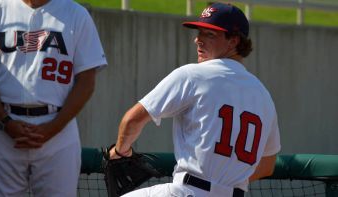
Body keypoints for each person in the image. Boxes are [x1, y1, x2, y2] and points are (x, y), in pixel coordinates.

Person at [109, 2, 281, 197]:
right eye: (199, 32)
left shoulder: (193, 75)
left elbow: (132, 120)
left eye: (209, 34)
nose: (198, 40)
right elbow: (267, 165)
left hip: (189, 191)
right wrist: (223, 184)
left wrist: (120, 151)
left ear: (233, 41)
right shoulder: (263, 95)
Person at [0, 0, 107, 196]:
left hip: (58, 129)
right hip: (2, 128)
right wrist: (5, 122)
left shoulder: (76, 14)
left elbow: (86, 80)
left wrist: (53, 128)